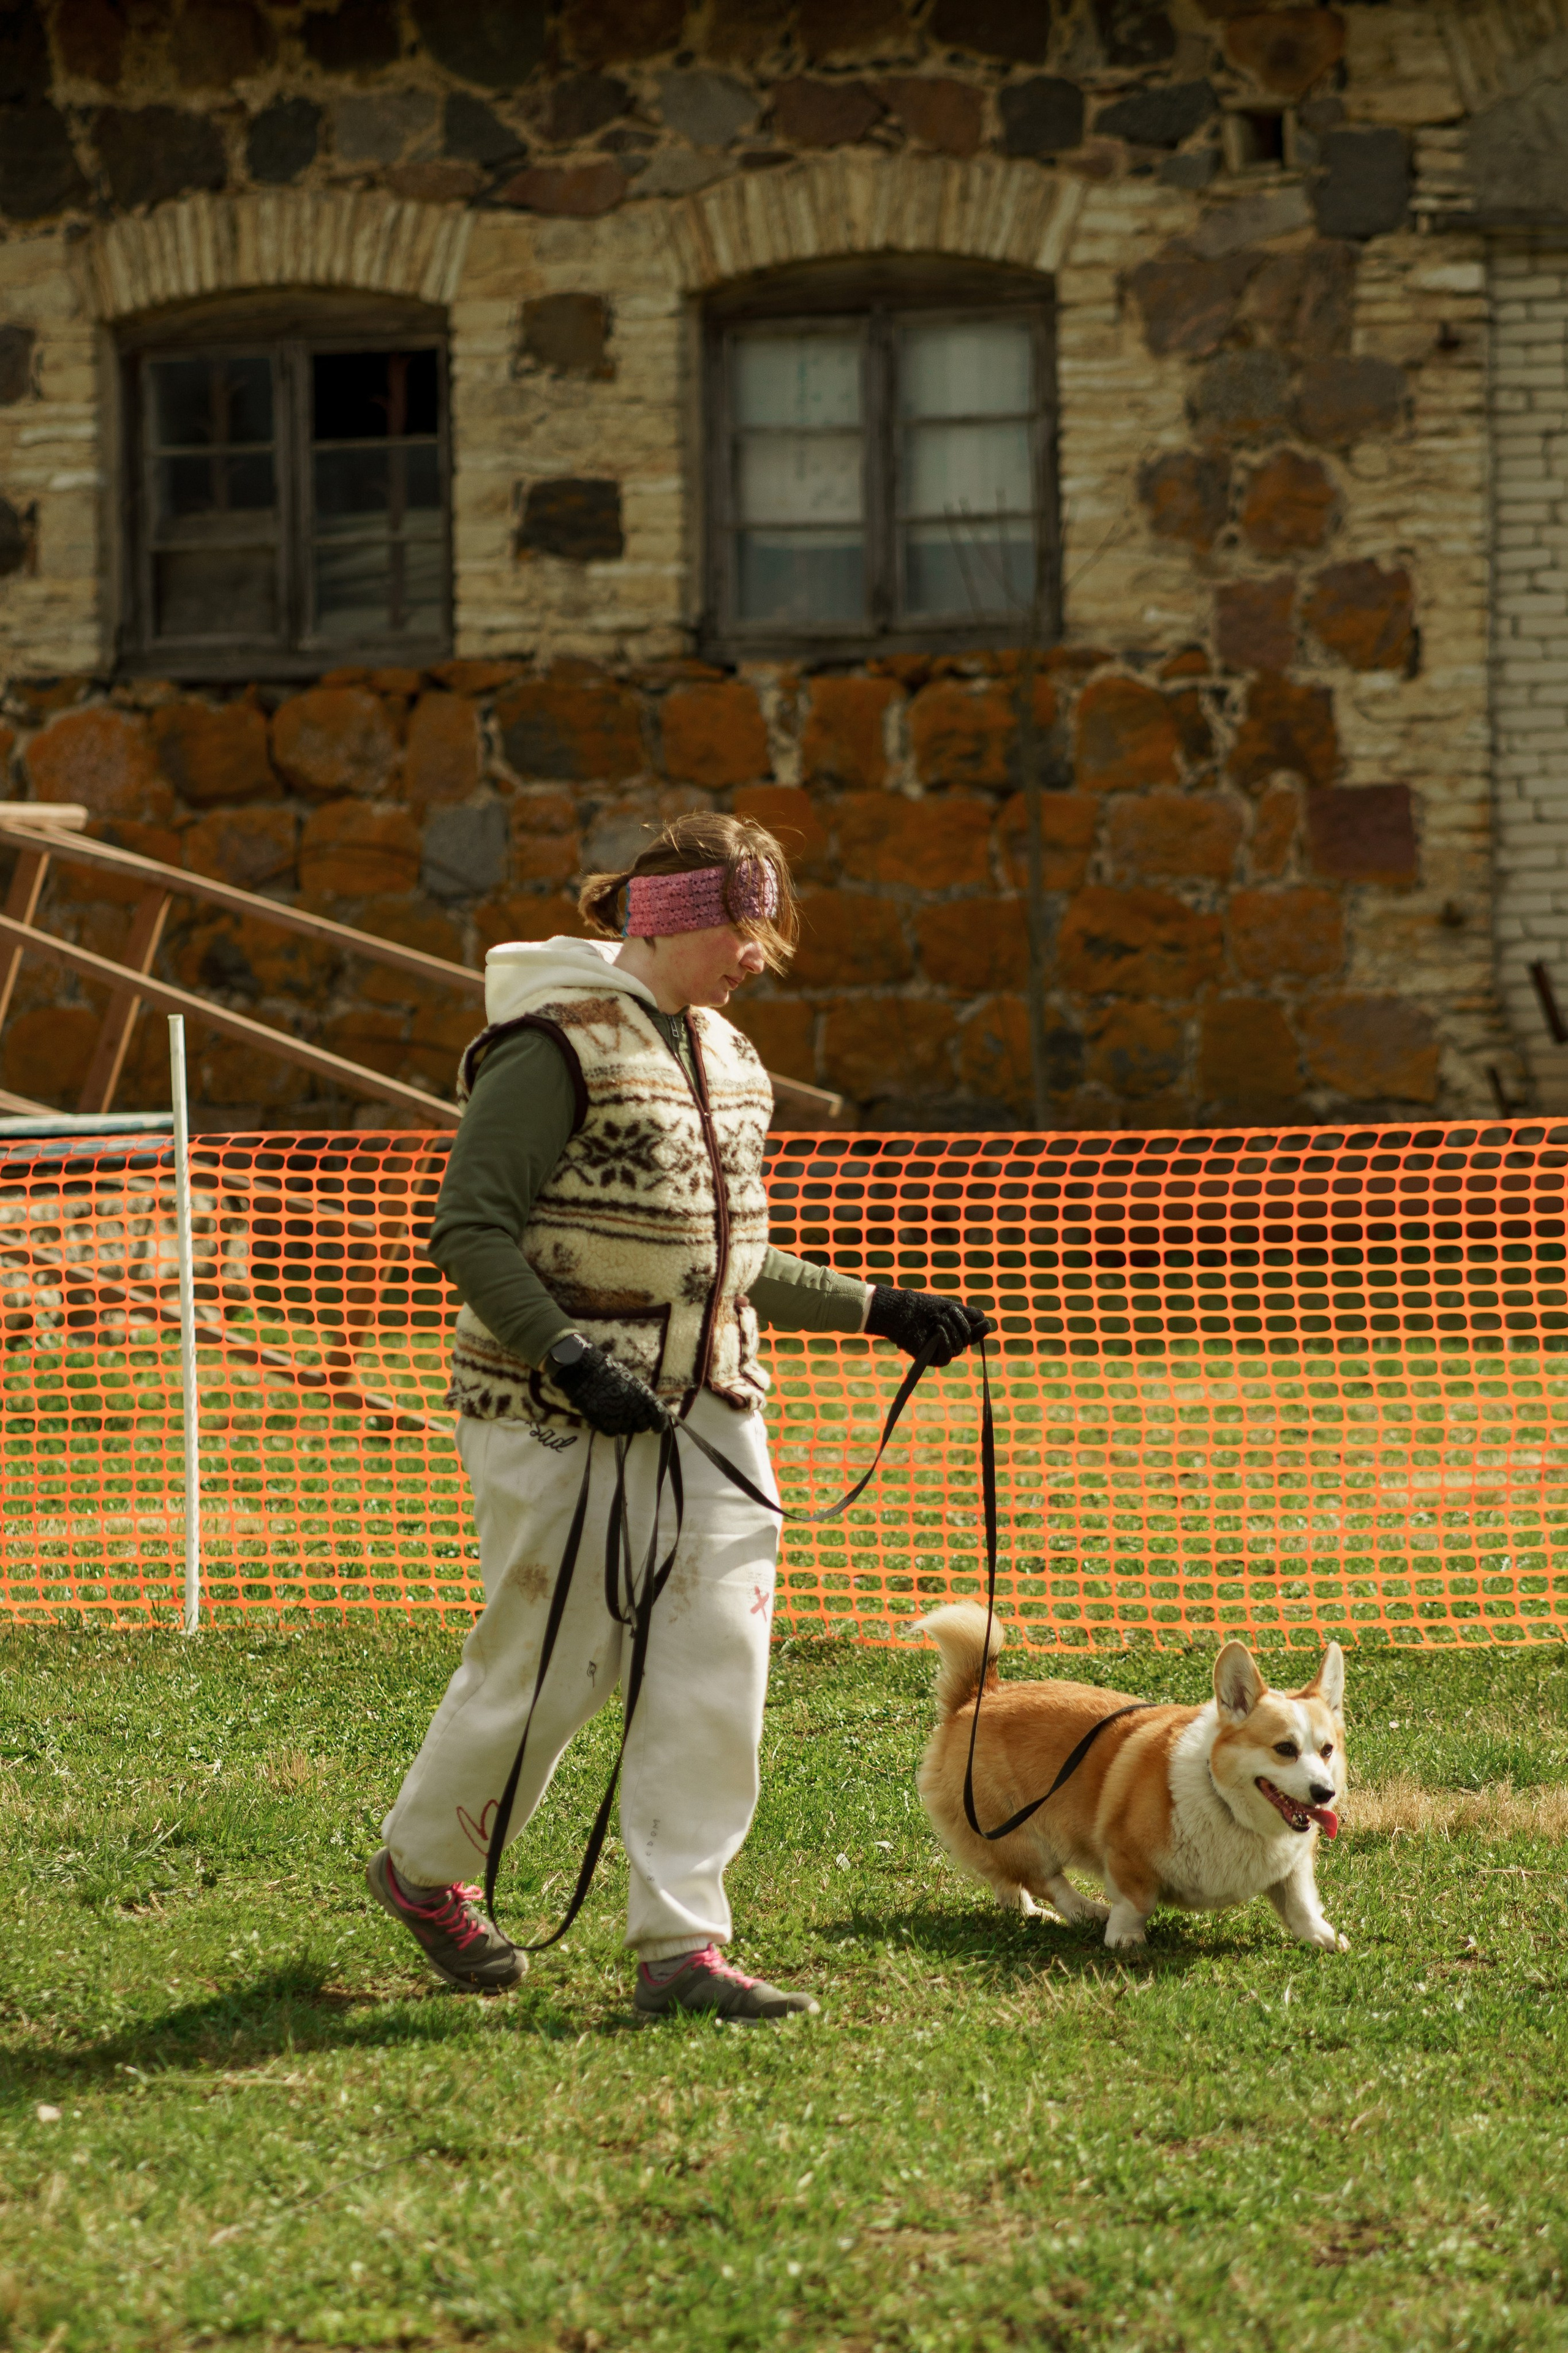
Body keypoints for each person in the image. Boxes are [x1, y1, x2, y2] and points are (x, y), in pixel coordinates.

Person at [367, 811, 990, 2022]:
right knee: (553, 1663)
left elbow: (725, 1255)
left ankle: (681, 1945)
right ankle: (424, 1867)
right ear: (679, 921)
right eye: (745, 928)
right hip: (556, 1413)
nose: (758, 955)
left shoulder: (728, 1057)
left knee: (718, 1660)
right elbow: (468, 1231)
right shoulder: (549, 1047)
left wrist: (880, 1307)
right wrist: (564, 1354)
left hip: (711, 1403)